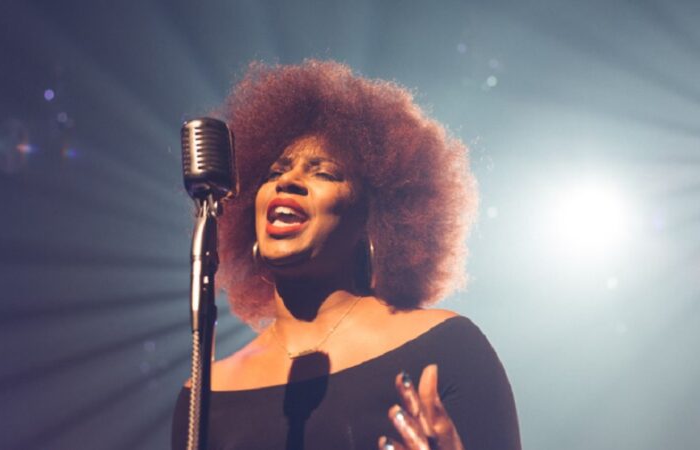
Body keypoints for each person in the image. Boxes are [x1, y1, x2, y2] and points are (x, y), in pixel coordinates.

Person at [172, 60, 521, 450]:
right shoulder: (203, 396)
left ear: (372, 221)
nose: (288, 181)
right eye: (274, 173)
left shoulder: (448, 346)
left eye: (323, 173)